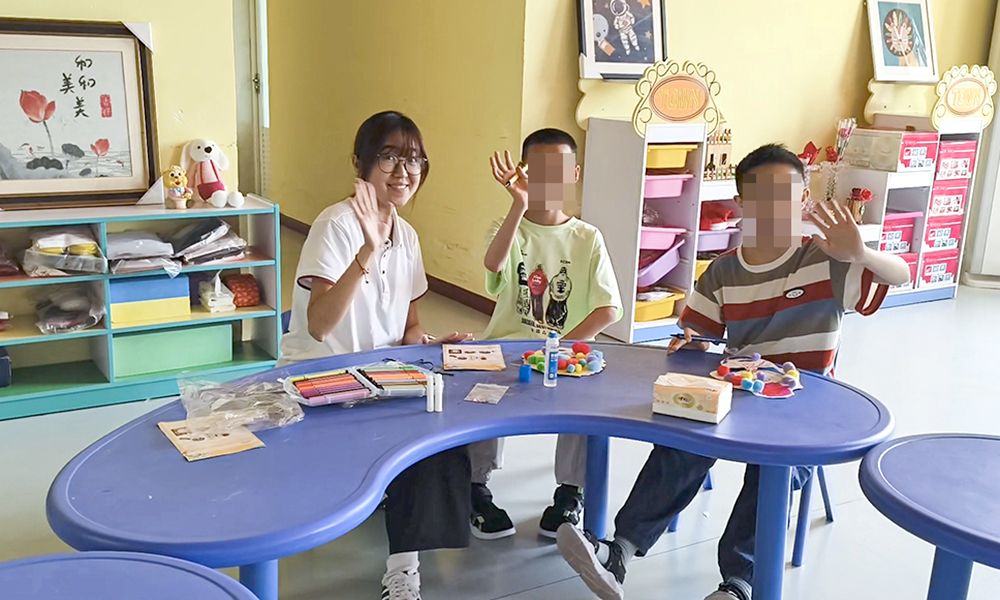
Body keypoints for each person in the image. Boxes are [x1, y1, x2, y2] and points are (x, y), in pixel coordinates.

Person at [555, 144, 910, 600]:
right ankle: (617, 553)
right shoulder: (723, 271)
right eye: (761, 196)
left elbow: (900, 274)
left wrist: (861, 252)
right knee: (681, 441)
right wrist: (692, 344)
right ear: (742, 203)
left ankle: (739, 585)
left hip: (804, 412)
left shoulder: (827, 261)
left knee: (772, 471)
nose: (774, 207)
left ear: (803, 198)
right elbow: (698, 338)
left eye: (786, 194)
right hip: (736, 398)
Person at [279, 111, 472, 600]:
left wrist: (431, 344)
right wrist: (367, 250)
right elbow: (320, 325)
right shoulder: (335, 224)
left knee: (442, 427)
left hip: (380, 377)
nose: (403, 171)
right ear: (360, 163)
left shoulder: (408, 237)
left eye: (414, 160)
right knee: (407, 434)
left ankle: (405, 564)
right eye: (389, 157)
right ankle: (400, 558)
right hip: (319, 380)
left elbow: (408, 327)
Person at [468, 128, 624, 540]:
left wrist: (561, 347)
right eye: (538, 170)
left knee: (586, 401)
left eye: (558, 170)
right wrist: (518, 205)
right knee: (478, 393)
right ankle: (475, 486)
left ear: (574, 174)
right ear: (523, 174)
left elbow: (608, 308)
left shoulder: (588, 238)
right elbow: (494, 265)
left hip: (568, 353)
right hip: (507, 349)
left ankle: (571, 492)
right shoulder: (508, 227)